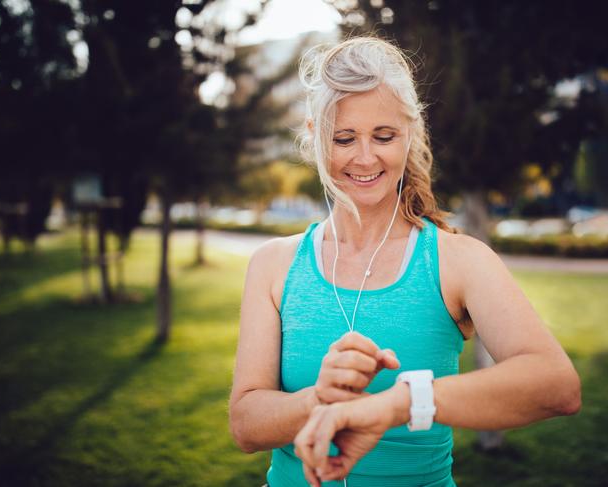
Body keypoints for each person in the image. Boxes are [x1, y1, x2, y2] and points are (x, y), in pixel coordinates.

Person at [229, 36, 581, 487]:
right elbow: (245, 424)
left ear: (409, 133)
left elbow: (557, 386)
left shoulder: (459, 261)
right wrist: (319, 399)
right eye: (343, 138)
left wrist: (399, 402)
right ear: (315, 135)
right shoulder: (273, 264)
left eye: (384, 136)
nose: (365, 157)